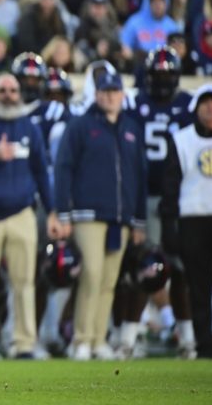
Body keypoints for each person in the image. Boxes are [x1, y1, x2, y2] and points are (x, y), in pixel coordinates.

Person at [0, 72, 60, 359]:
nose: (8, 95)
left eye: (13, 90)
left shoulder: (29, 127)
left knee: (24, 282)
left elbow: (42, 172)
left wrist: (52, 211)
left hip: (22, 214)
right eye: (2, 90)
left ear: (20, 93)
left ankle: (24, 343)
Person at [55, 72, 148, 360]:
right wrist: (64, 213)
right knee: (92, 275)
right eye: (104, 91)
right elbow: (63, 168)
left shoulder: (131, 128)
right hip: (87, 214)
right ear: (96, 94)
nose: (109, 96)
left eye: (114, 91)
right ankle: (81, 340)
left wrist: (139, 219)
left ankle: (98, 339)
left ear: (122, 95)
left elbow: (139, 176)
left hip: (120, 217)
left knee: (109, 280)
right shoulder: (81, 126)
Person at [117, 46, 196, 359]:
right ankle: (127, 339)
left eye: (167, 74)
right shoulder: (135, 104)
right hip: (146, 195)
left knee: (181, 270)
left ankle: (188, 338)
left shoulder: (189, 105)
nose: (162, 79)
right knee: (144, 268)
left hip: (180, 198)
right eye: (157, 74)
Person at [161, 83, 212, 359]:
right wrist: (168, 227)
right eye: (205, 103)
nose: (211, 108)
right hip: (193, 219)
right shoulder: (182, 139)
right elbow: (171, 185)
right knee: (198, 286)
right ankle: (204, 344)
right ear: (195, 109)